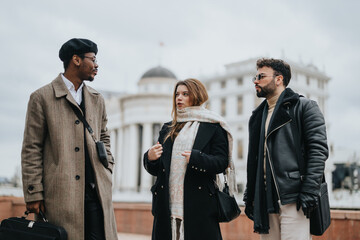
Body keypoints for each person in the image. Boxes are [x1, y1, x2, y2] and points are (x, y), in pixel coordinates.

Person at [21, 38, 118, 240]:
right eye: (92, 59)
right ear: (76, 60)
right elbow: (32, 148)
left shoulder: (97, 98)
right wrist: (34, 193)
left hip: (96, 193)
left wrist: (107, 165)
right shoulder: (42, 97)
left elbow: (104, 136)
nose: (96, 65)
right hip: (59, 195)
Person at [243, 58, 329, 240]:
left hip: (294, 197)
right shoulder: (257, 117)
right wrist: (250, 195)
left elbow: (318, 151)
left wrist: (309, 192)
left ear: (279, 79)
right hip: (265, 199)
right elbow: (254, 159)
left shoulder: (304, 107)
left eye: (261, 76)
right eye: (255, 76)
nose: (255, 81)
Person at [143, 78, 236, 240]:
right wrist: (150, 158)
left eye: (185, 94)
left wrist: (197, 158)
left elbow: (221, 163)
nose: (179, 98)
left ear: (197, 95)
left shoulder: (213, 125)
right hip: (166, 205)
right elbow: (158, 170)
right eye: (177, 94)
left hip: (199, 204)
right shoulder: (168, 128)